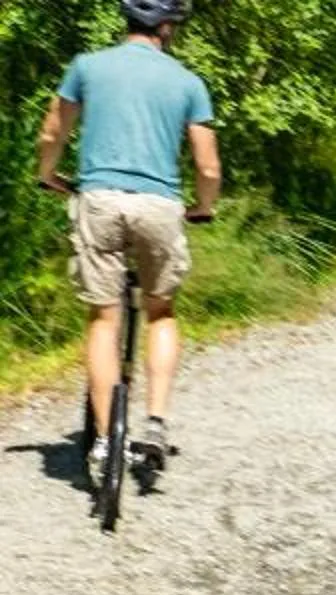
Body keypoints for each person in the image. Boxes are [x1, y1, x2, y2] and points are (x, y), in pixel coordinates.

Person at [34, 0, 218, 485]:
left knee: (104, 317)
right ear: (165, 26)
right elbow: (208, 167)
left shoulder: (88, 66)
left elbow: (53, 130)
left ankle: (100, 442)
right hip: (159, 206)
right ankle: (154, 424)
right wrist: (203, 206)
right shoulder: (187, 81)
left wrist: (49, 175)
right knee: (161, 310)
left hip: (99, 199)